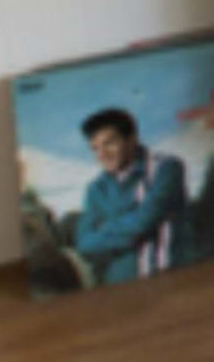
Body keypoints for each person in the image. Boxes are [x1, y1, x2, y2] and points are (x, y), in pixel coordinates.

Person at [70, 107, 187, 285]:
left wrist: (106, 228)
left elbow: (143, 222)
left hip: (169, 276)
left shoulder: (166, 168)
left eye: (109, 143)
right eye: (95, 148)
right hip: (119, 285)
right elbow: (84, 243)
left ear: (132, 139)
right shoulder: (95, 189)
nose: (102, 155)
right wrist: (131, 230)